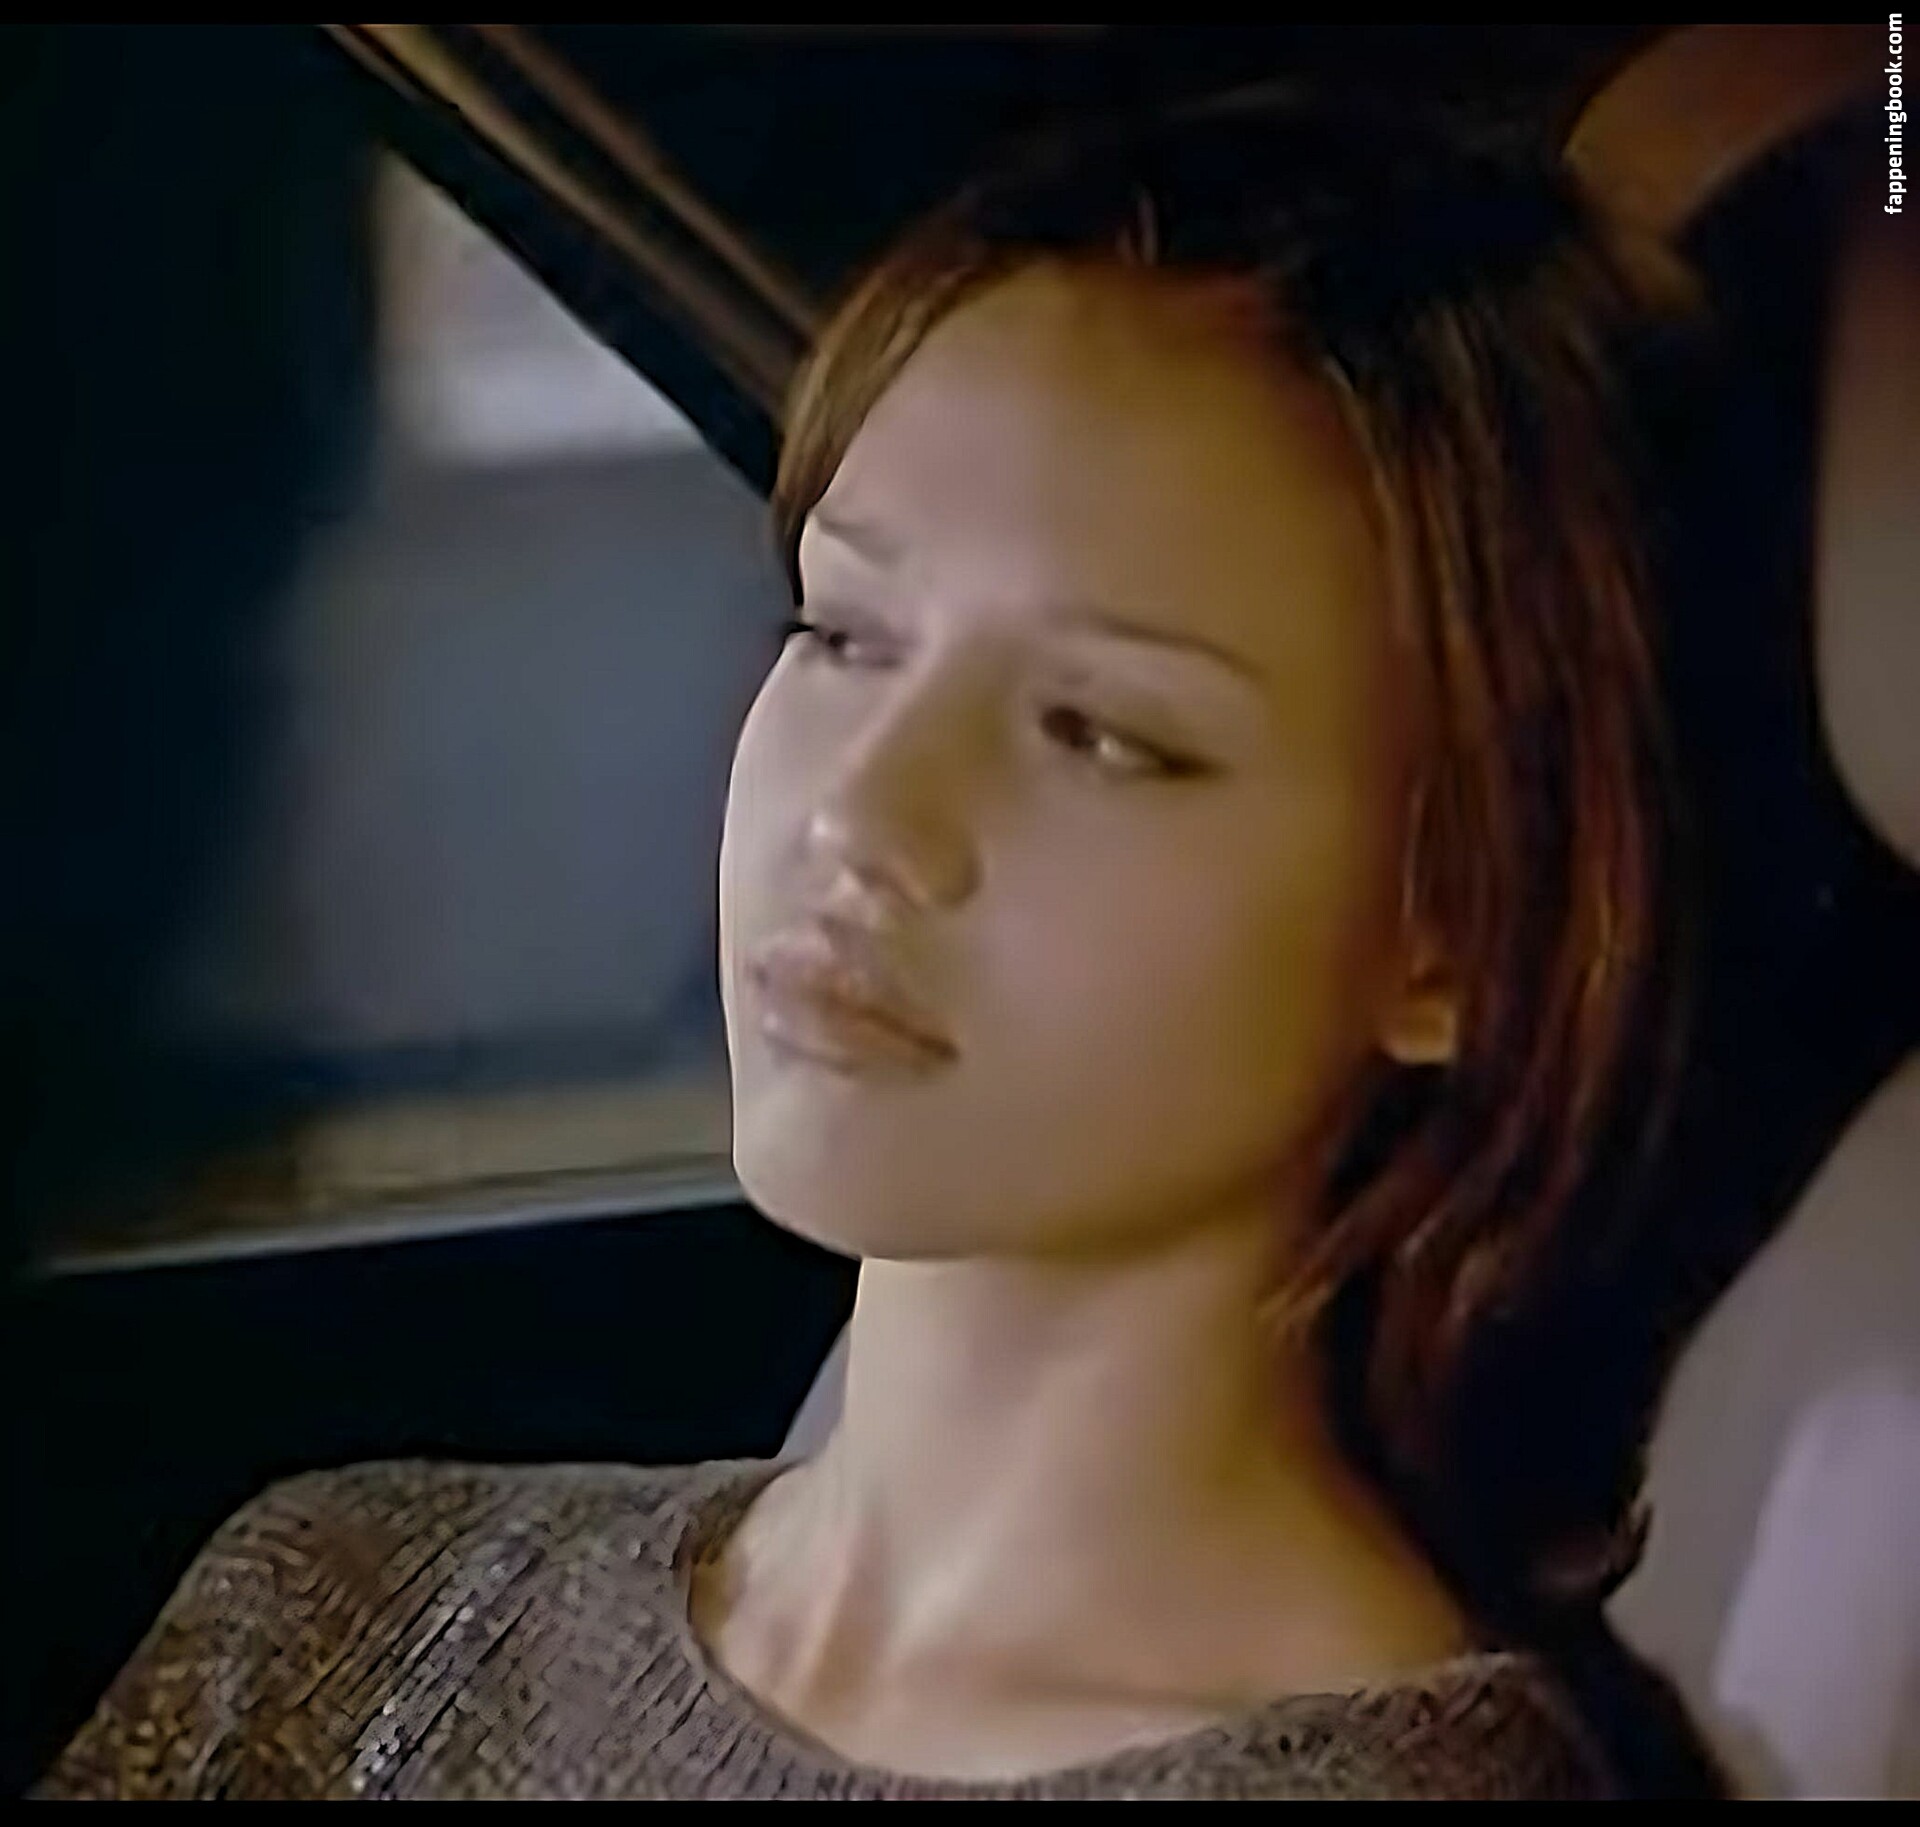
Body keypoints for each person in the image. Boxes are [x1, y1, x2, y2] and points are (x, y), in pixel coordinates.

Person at [31, 86, 1727, 1799]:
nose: (862, 813)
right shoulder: (355, 1602)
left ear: (1455, 934)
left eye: (1102, 733)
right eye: (842, 632)